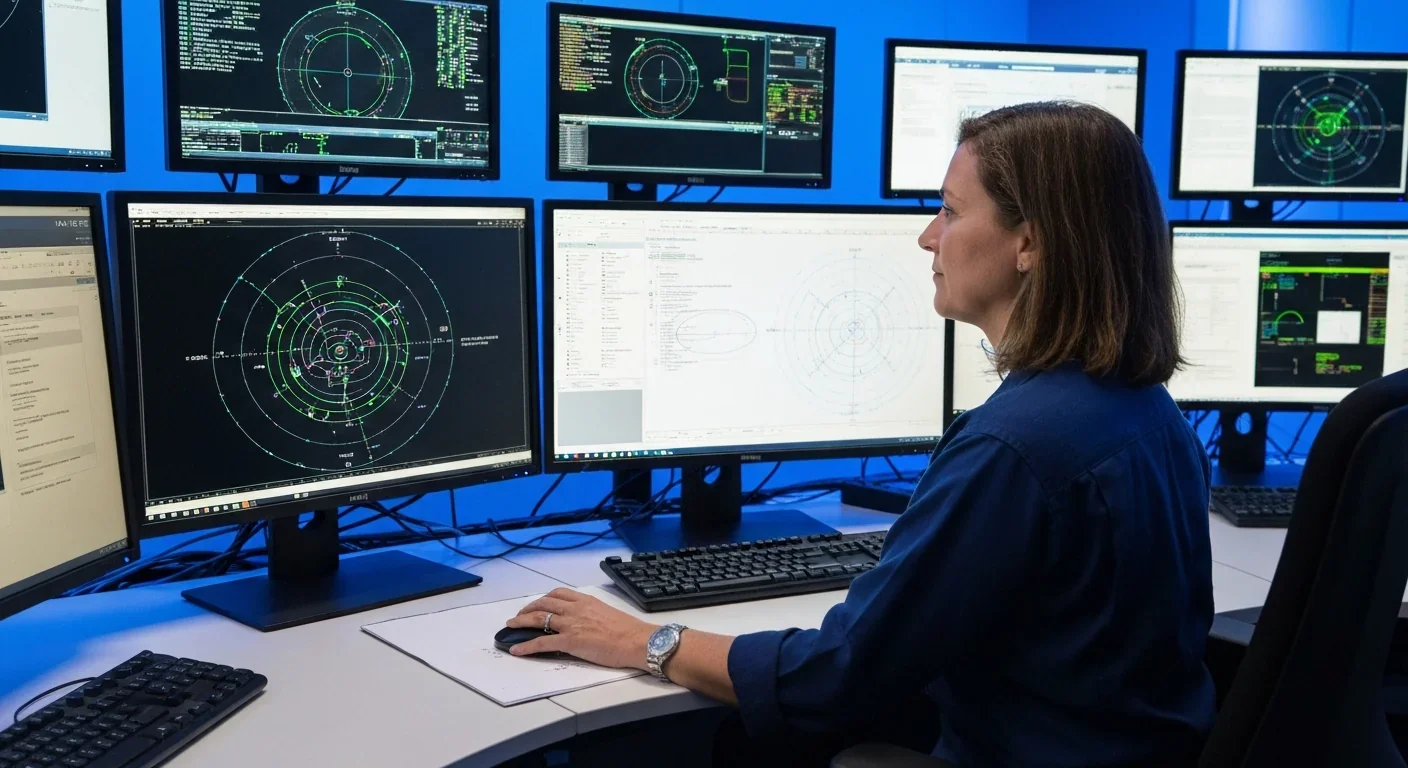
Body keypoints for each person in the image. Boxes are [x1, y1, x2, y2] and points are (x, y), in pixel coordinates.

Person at [503, 101, 1216, 767]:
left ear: (1027, 241)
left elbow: (835, 678)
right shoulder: (1148, 409)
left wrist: (645, 641)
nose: (927, 236)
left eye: (950, 211)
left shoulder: (1013, 447)